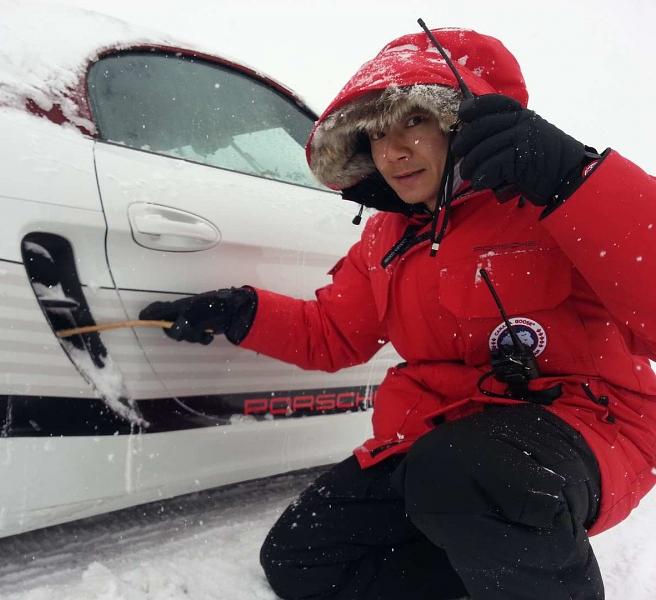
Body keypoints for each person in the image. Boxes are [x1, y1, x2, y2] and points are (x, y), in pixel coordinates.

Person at [140, 27, 656, 599]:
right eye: (377, 133)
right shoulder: (385, 236)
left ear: (459, 119)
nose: (393, 152)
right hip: (443, 439)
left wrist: (573, 177)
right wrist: (241, 313)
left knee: (465, 473)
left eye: (414, 121)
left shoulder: (548, 197)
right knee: (304, 555)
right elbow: (334, 335)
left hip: (582, 427)